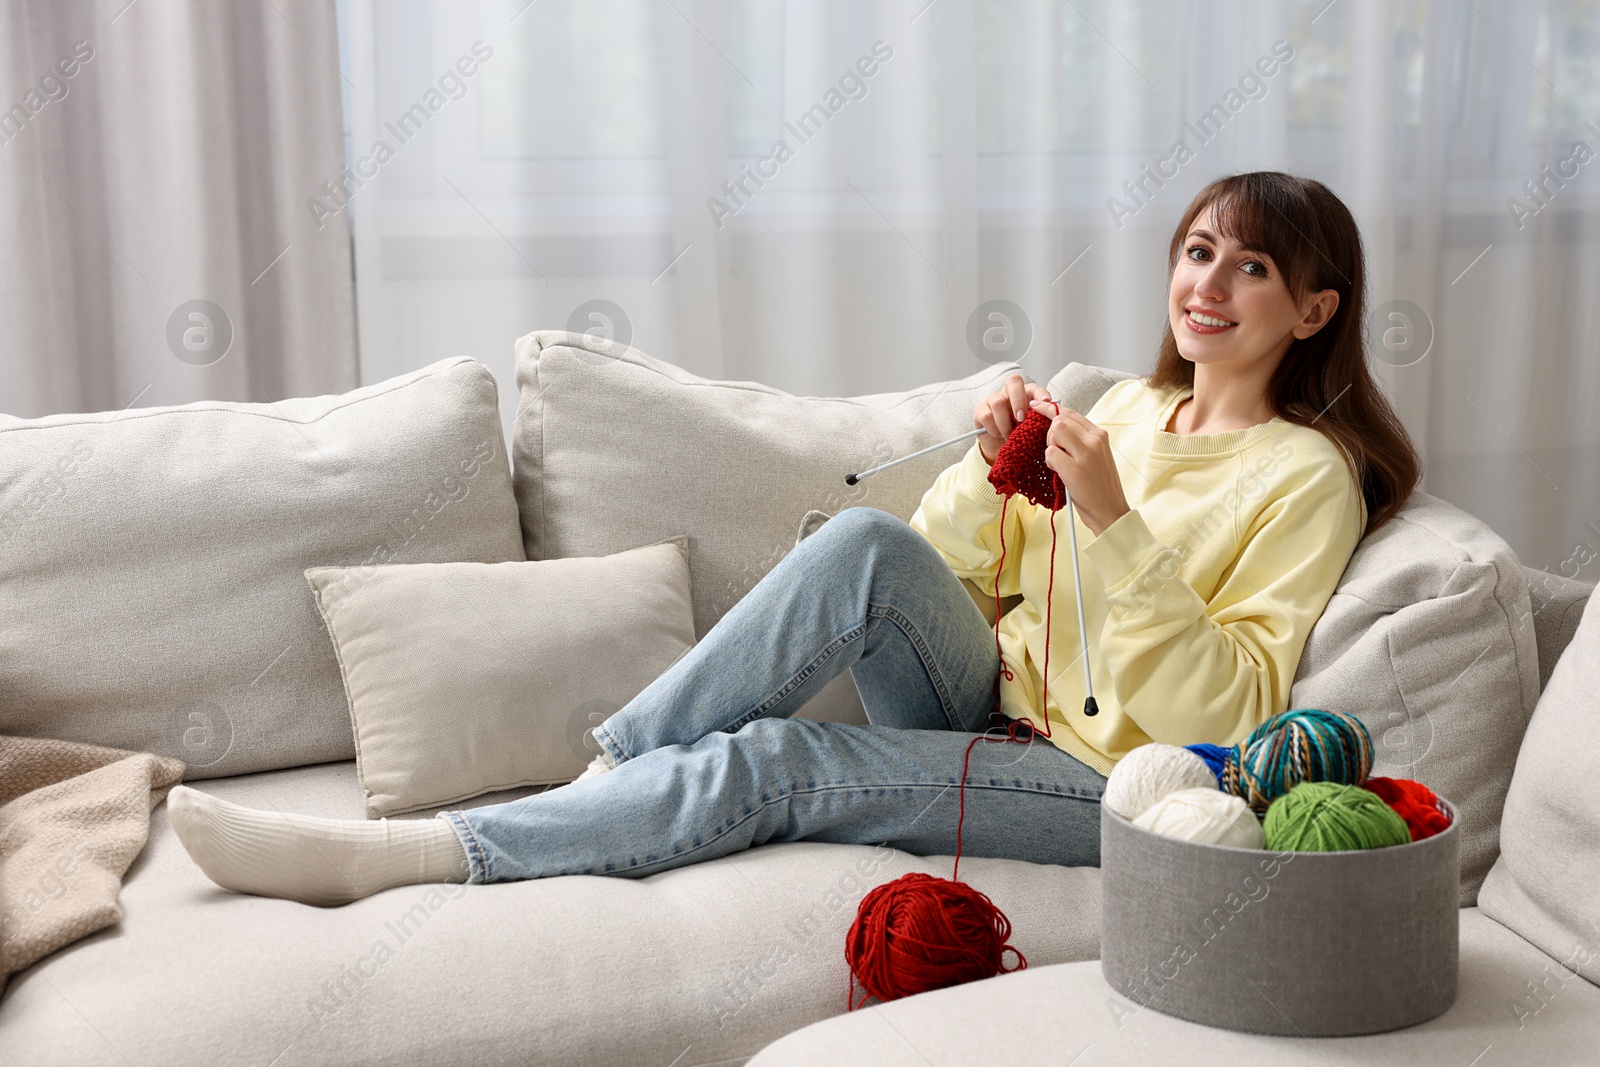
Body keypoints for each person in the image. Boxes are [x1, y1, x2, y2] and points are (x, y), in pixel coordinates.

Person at [168, 170, 1420, 906]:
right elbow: (948, 565)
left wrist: (1114, 521)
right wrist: (998, 472)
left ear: (1312, 308)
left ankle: (430, 855)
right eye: (1196, 250)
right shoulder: (1128, 407)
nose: (1207, 282)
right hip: (991, 699)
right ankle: (613, 772)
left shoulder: (1304, 477)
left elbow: (1238, 705)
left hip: (1115, 779)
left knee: (779, 763)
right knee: (858, 554)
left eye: (1249, 267)